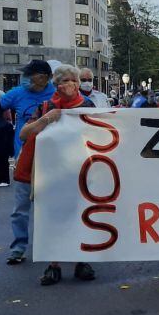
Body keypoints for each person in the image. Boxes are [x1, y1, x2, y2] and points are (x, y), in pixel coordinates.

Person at [13, 64, 97, 284]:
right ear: (56, 85)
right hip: (51, 173)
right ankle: (54, 264)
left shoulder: (87, 106)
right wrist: (47, 118)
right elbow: (24, 134)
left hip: (80, 170)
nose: (68, 84)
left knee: (81, 214)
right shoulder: (46, 107)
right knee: (52, 216)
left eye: (72, 80)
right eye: (63, 81)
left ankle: (81, 260)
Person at [0, 60, 56, 265]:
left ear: (44, 77)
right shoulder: (16, 93)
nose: (25, 79)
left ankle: (53, 245)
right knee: (20, 208)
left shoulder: (56, 96)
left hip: (52, 161)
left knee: (51, 207)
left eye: (29, 75)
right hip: (25, 157)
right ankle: (18, 248)